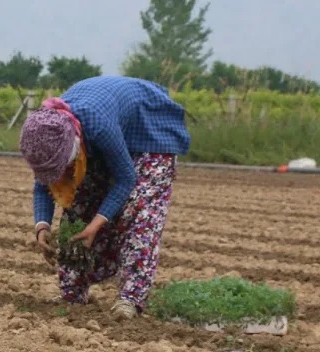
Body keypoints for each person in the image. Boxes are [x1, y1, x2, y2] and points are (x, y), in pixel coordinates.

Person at [19, 76, 191, 318]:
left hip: (150, 133)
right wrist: (42, 226)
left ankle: (130, 298)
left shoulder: (97, 126)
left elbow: (125, 179)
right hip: (110, 128)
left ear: (75, 148)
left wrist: (96, 225)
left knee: (140, 211)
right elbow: (43, 185)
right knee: (80, 204)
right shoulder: (45, 134)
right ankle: (72, 293)